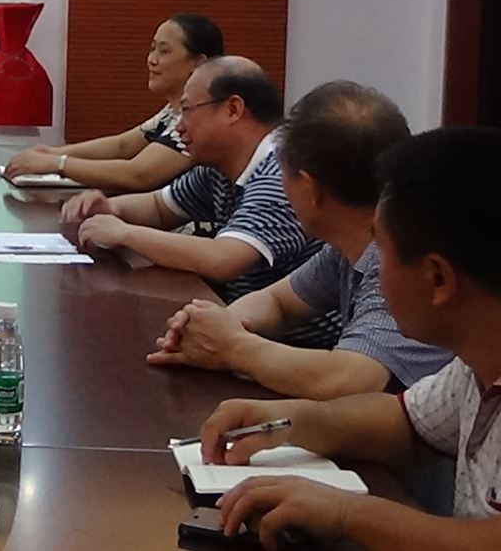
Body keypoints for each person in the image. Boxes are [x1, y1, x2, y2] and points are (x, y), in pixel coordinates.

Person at [200, 127, 501, 549]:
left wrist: (346, 514)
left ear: (438, 279)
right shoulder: (474, 364)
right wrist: (287, 423)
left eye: (382, 250)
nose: (374, 267)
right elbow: (406, 423)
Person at [146, 81, 450, 398]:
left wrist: (233, 346)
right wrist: (214, 326)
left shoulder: (402, 259)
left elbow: (349, 378)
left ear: (308, 187)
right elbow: (279, 303)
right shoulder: (347, 247)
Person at [62, 56, 336, 346]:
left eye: (187, 111)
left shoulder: (281, 173)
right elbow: (160, 207)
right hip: (247, 334)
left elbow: (223, 259)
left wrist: (125, 234)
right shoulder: (220, 165)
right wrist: (112, 208)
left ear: (232, 109)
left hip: (299, 351)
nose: (179, 127)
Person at [4, 13, 223, 192]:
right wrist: (50, 153)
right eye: (152, 49)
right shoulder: (171, 112)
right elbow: (122, 145)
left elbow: (138, 174)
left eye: (164, 51)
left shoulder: (198, 119)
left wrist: (58, 163)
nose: (152, 59)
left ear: (198, 63)